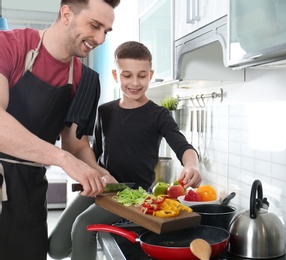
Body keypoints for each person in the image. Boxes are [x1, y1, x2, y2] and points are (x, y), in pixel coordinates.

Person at [48, 41, 202, 260]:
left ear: (151, 75)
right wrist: (97, 175)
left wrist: (192, 165)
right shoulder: (104, 111)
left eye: (141, 75)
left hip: (133, 195)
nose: (135, 83)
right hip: (102, 186)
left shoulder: (159, 115)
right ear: (115, 75)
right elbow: (96, 153)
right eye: (127, 75)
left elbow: (183, 147)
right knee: (56, 248)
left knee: (83, 226)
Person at [0, 0, 120, 259]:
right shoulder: (9, 46)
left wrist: (97, 173)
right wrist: (62, 159)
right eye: (95, 25)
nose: (100, 38)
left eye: (106, 31)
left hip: (30, 196)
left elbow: (75, 145)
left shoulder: (86, 81)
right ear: (66, 14)